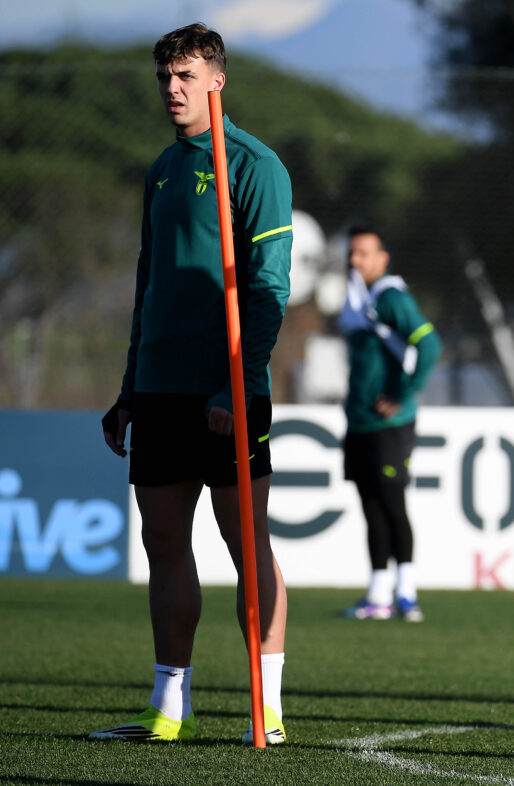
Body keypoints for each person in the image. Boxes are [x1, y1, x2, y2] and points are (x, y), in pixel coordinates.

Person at [92, 23, 292, 744]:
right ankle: (168, 707)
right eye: (164, 78)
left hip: (230, 391)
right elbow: (150, 286)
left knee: (249, 545)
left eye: (185, 76)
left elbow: (270, 288)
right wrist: (128, 387)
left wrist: (233, 384)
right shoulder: (163, 169)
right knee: (164, 540)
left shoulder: (255, 165)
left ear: (217, 80)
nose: (172, 90)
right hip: (159, 388)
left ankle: (265, 705)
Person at [337, 228, 442, 622]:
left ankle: (407, 593)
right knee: (371, 507)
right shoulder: (358, 299)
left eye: (364, 253)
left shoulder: (391, 297)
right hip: (360, 423)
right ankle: (378, 593)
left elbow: (429, 344)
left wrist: (402, 394)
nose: (355, 261)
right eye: (352, 253)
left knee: (393, 504)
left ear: (383, 258)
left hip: (390, 425)